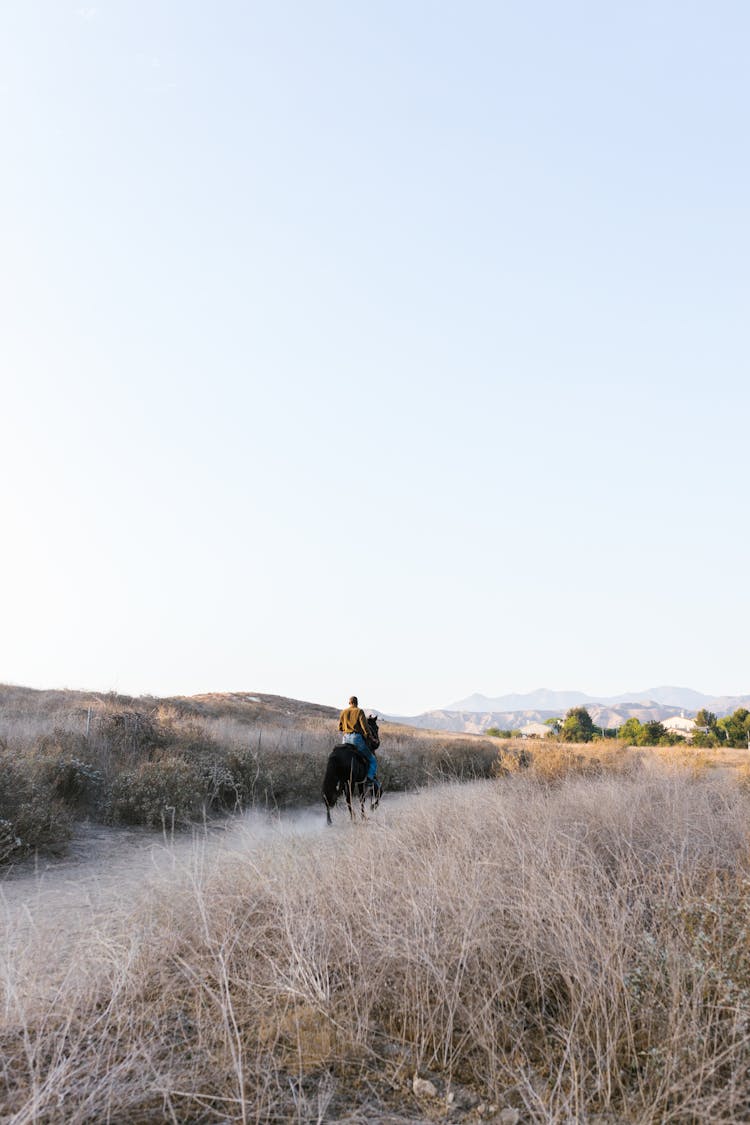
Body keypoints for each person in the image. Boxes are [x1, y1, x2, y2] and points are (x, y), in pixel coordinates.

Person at [338, 695, 378, 783]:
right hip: (356, 739)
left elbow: (340, 728)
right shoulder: (359, 711)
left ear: (349, 703)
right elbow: (365, 728)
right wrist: (371, 738)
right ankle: (369, 780)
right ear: (357, 703)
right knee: (372, 760)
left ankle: (337, 782)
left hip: (345, 739)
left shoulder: (343, 712)